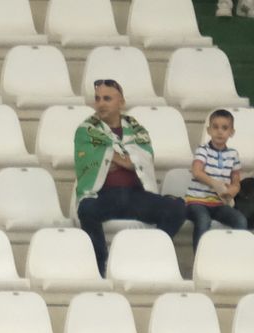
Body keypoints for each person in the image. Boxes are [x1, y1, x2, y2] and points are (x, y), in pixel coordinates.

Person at [73, 79, 186, 276]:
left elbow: (146, 157)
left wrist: (110, 157)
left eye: (107, 98)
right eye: (97, 99)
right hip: (104, 195)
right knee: (86, 210)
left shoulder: (136, 128)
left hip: (136, 195)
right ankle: (101, 265)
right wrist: (127, 160)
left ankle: (150, 257)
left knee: (177, 209)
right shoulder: (86, 130)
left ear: (121, 102)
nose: (101, 103)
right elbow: (90, 159)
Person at [184, 109, 245, 248]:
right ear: (209, 130)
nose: (219, 131)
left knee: (240, 220)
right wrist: (215, 184)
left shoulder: (233, 154)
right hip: (197, 202)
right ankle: (200, 257)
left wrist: (234, 189)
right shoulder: (203, 150)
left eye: (225, 128)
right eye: (215, 127)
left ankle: (235, 254)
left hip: (219, 204)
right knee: (203, 220)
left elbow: (236, 179)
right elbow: (196, 172)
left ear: (232, 132)